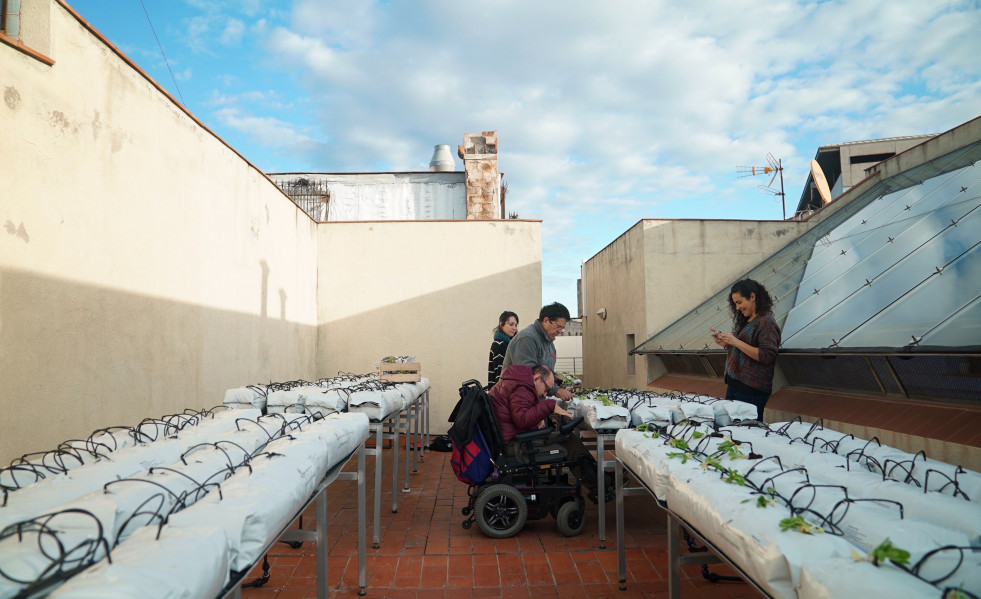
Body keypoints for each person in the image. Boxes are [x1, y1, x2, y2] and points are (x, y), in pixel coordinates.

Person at [489, 364, 611, 502]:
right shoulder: (521, 388)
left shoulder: (516, 383)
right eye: (547, 388)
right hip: (515, 446)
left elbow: (517, 416)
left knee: (568, 439)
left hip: (512, 440)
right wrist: (550, 406)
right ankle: (602, 486)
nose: (545, 394)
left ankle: (601, 480)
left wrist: (537, 419)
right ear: (537, 377)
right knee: (570, 444)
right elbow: (522, 419)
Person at [711, 278, 781, 421]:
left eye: (739, 302)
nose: (737, 308)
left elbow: (767, 355)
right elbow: (743, 350)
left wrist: (735, 342)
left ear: (752, 297)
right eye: (735, 304)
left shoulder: (767, 322)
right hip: (735, 386)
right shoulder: (747, 321)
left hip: (751, 391)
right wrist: (727, 344)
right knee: (731, 432)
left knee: (747, 434)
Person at [502, 302, 574, 400]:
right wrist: (555, 390)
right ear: (546, 320)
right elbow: (528, 376)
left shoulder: (549, 342)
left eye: (562, 328)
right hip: (517, 402)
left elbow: (544, 370)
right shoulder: (527, 338)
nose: (560, 331)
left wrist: (554, 378)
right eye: (558, 327)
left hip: (534, 401)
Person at [487, 311, 519, 386]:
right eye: (511, 324)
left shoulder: (509, 344)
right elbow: (500, 373)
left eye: (515, 325)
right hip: (501, 391)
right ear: (501, 324)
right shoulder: (499, 344)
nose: (514, 328)